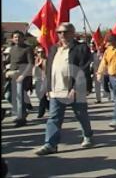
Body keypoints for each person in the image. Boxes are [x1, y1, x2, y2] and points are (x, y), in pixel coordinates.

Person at [35, 23, 93, 155]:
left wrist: (76, 88)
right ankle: (50, 144)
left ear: (72, 33)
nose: (62, 35)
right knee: (54, 118)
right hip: (56, 90)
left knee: (81, 115)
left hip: (75, 90)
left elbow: (83, 69)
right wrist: (48, 88)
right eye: (59, 32)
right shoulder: (54, 48)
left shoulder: (81, 48)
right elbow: (49, 69)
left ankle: (88, 135)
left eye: (65, 32)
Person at [6, 30, 34, 127]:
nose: (17, 39)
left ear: (23, 38)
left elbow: (31, 64)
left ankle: (21, 118)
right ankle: (23, 111)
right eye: (15, 37)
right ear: (12, 38)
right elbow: (8, 61)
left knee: (19, 98)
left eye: (19, 37)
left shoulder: (27, 49)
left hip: (22, 75)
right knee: (8, 95)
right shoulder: (12, 49)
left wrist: (23, 75)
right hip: (11, 75)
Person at [33, 47, 49, 118]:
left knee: (42, 95)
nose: (41, 53)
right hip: (37, 79)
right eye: (39, 52)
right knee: (39, 95)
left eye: (42, 52)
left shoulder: (46, 60)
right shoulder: (36, 60)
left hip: (45, 79)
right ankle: (49, 106)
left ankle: (41, 112)